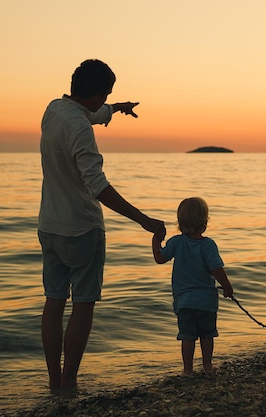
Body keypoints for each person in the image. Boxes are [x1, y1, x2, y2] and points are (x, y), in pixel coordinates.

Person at [38, 59, 165, 390]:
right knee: (82, 306)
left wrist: (117, 108)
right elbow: (99, 187)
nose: (107, 98)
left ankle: (54, 381)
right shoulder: (80, 128)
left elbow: (90, 113)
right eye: (106, 93)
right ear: (94, 93)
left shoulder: (54, 111)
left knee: (53, 303)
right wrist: (144, 220)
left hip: (50, 226)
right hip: (82, 229)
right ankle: (69, 381)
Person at [152, 197, 233, 375]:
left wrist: (156, 239)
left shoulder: (175, 242)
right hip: (206, 302)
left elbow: (159, 258)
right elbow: (216, 269)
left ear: (180, 223)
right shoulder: (208, 245)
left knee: (187, 337)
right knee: (207, 334)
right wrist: (227, 287)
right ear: (204, 223)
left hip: (184, 302)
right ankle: (207, 366)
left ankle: (187, 370)